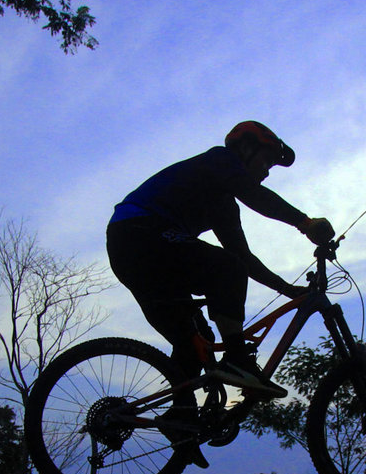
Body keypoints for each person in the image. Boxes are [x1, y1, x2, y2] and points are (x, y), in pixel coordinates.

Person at [106, 121, 335, 402]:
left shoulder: (224, 204)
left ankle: (182, 426)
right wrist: (305, 223)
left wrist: (288, 290)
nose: (266, 172)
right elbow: (254, 197)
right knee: (225, 267)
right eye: (266, 161)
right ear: (246, 148)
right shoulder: (220, 159)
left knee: (195, 342)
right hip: (139, 232)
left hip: (140, 252)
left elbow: (244, 260)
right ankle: (237, 359)